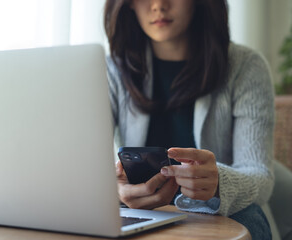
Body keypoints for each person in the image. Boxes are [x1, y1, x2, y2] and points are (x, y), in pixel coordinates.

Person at [104, 0, 274, 239]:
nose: (158, 5)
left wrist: (218, 185)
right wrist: (116, 190)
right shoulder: (112, 69)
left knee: (250, 217)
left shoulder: (246, 67)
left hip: (225, 216)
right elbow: (86, 169)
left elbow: (260, 175)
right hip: (141, 213)